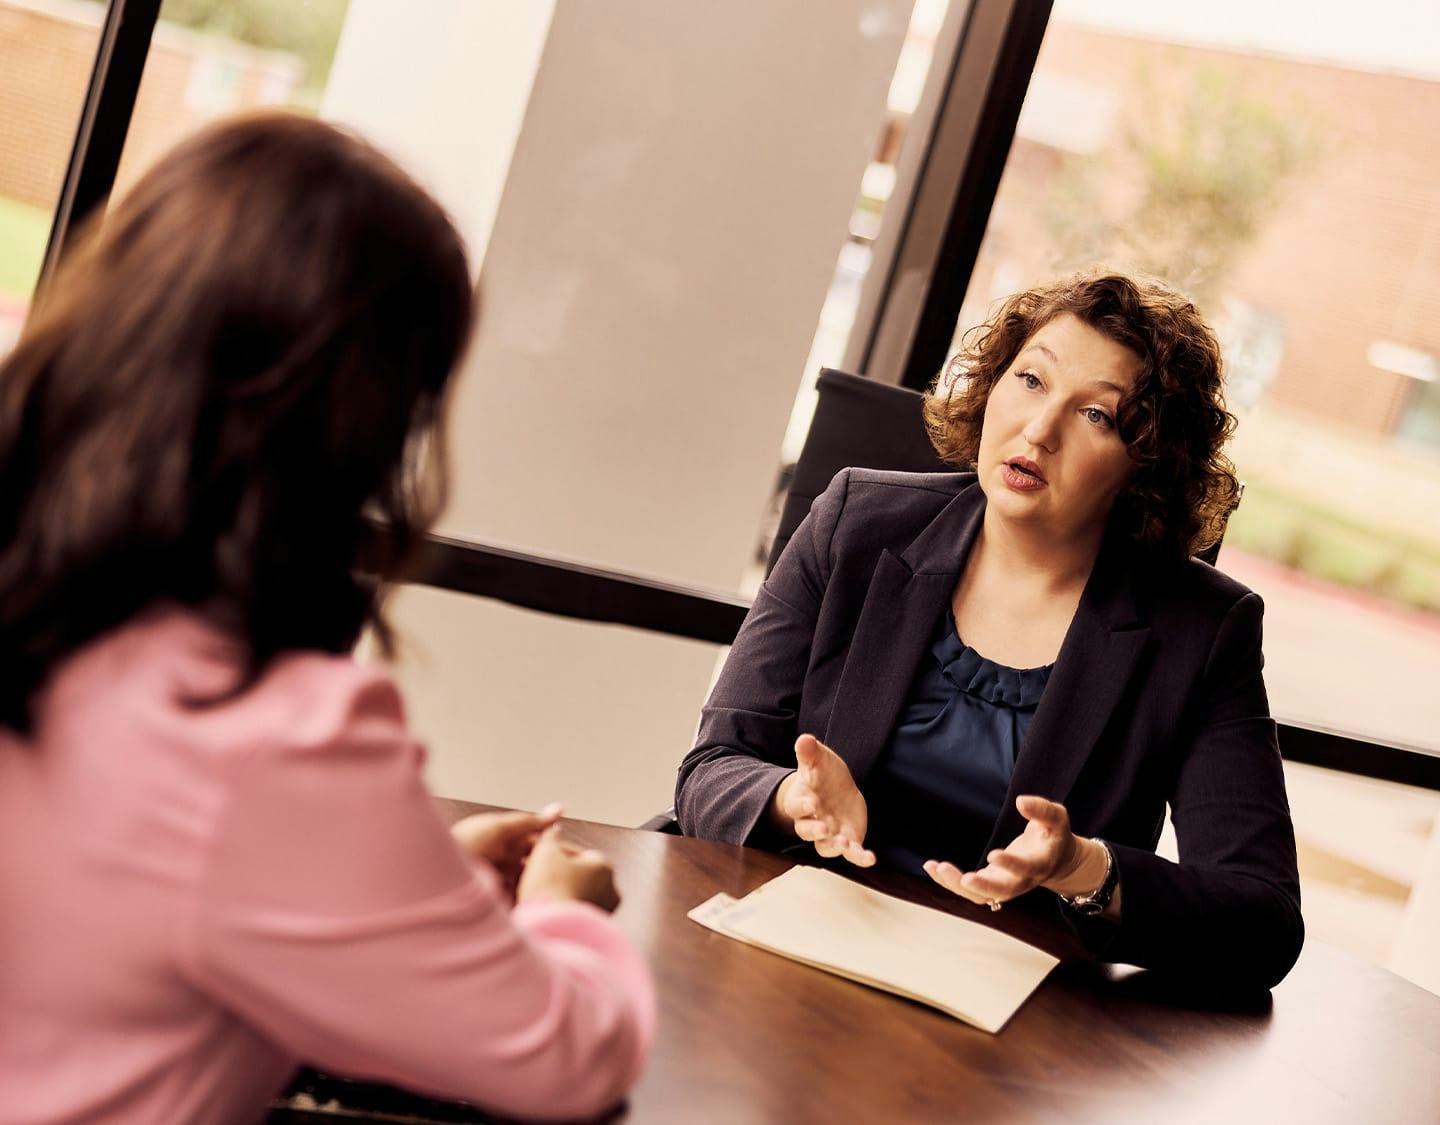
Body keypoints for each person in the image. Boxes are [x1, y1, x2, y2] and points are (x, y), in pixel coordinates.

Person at [0, 113, 653, 1124]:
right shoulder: (263, 732)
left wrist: (403, 892)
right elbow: (568, 1059)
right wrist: (563, 922)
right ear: (368, 416)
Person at [675, 270, 1303, 991]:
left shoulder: (1201, 631)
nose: (1039, 429)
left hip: (1007, 1015)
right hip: (788, 958)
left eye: (1096, 415)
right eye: (1030, 380)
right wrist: (796, 801)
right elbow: (712, 767)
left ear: (1147, 466)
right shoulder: (856, 521)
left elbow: (1262, 922)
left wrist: (1084, 869)